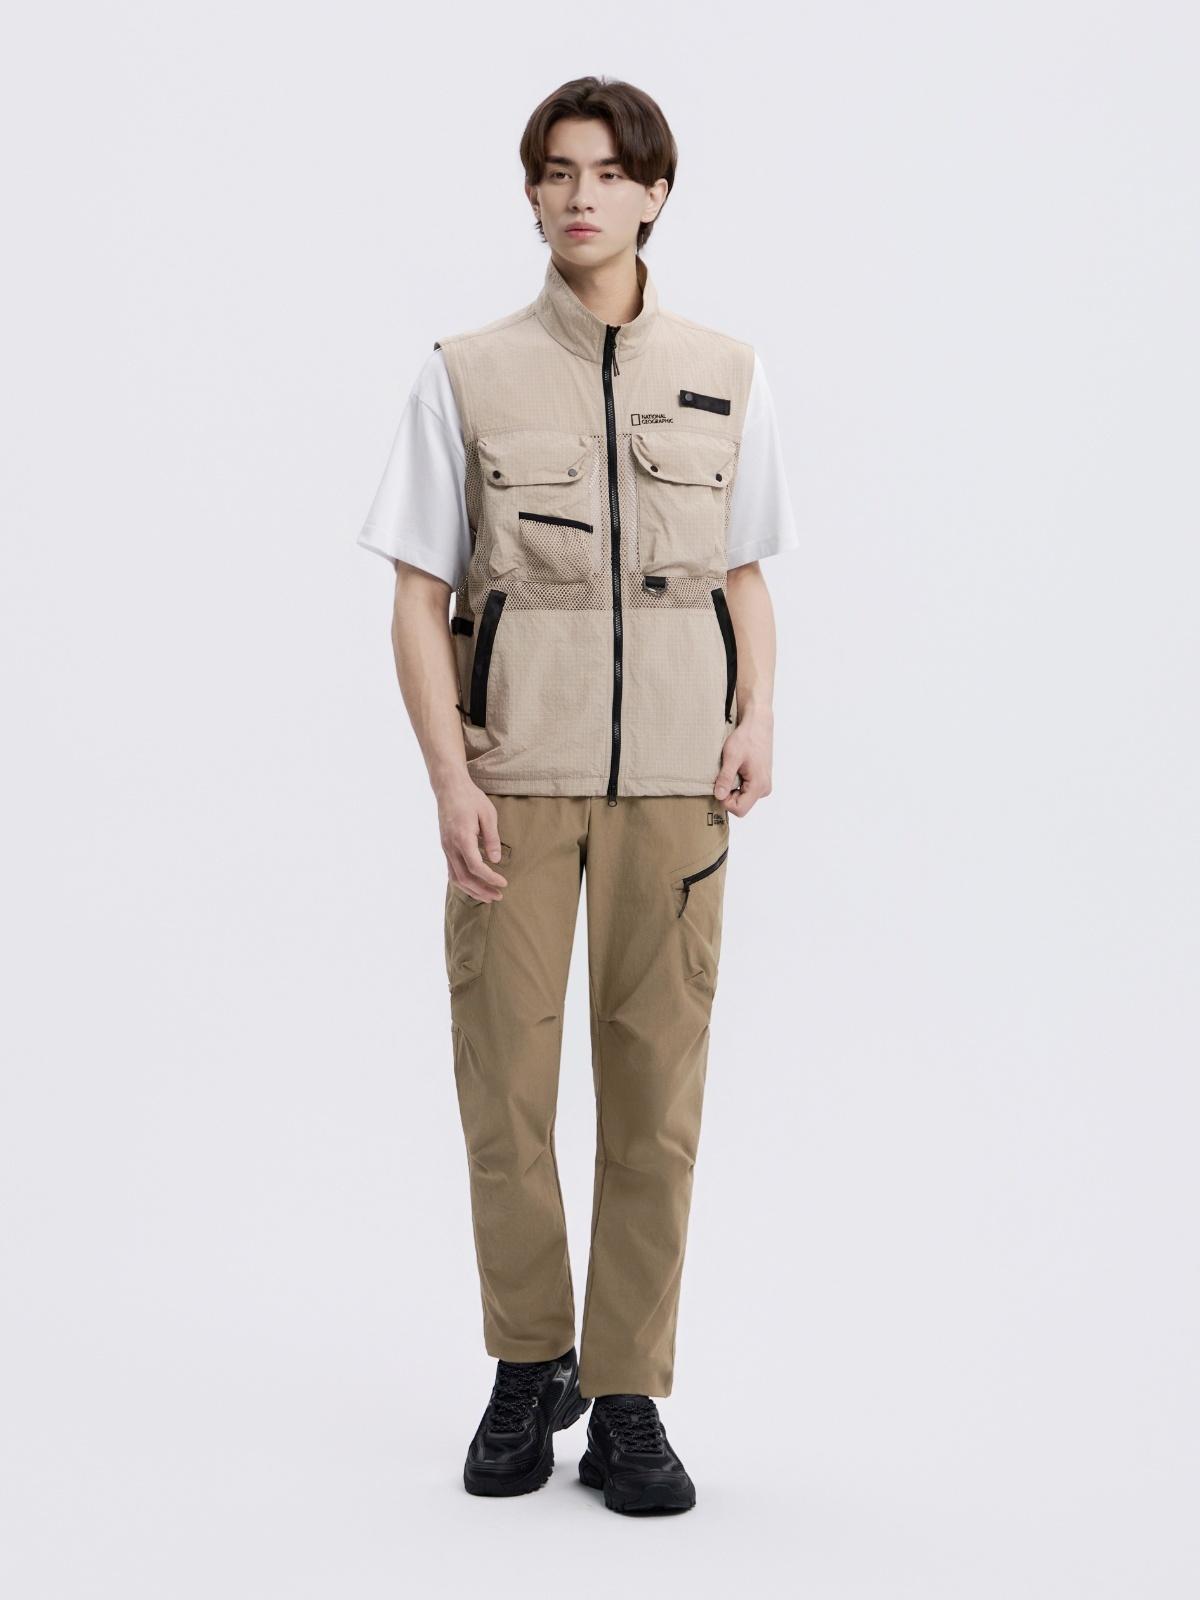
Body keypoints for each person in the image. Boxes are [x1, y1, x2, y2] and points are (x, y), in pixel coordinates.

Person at [357, 75, 799, 1515]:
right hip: (516, 787)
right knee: (505, 1092)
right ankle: (527, 1361)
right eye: (557, 171)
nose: (581, 195)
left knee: (656, 1100)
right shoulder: (465, 374)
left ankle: (626, 1397)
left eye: (609, 173)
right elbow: (417, 596)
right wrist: (449, 776)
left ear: (655, 193)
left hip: (677, 783)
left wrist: (757, 714)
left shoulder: (728, 372)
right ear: (532, 194)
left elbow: (744, 572)